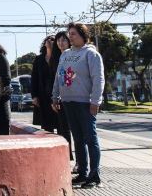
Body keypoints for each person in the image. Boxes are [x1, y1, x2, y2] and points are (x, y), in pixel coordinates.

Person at [52, 22, 104, 189]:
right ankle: (82, 171)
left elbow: (98, 78)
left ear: (83, 36)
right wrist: (55, 96)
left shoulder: (91, 54)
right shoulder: (65, 54)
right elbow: (58, 77)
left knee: (90, 137)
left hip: (85, 103)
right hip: (68, 101)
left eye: (74, 34)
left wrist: (95, 100)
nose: (70, 37)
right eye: (70, 34)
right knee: (78, 139)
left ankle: (94, 173)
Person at [50, 31, 74, 166]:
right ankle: (67, 154)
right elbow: (56, 79)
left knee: (76, 130)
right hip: (61, 97)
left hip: (73, 96)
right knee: (63, 128)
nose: (61, 43)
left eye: (63, 40)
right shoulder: (56, 57)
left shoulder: (74, 54)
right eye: (58, 40)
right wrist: (55, 97)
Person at [31, 35, 58, 132]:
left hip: (56, 95)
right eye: (47, 39)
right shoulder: (39, 59)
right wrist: (34, 96)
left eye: (53, 40)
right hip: (43, 95)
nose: (49, 41)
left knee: (61, 125)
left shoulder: (59, 58)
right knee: (47, 126)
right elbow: (34, 79)